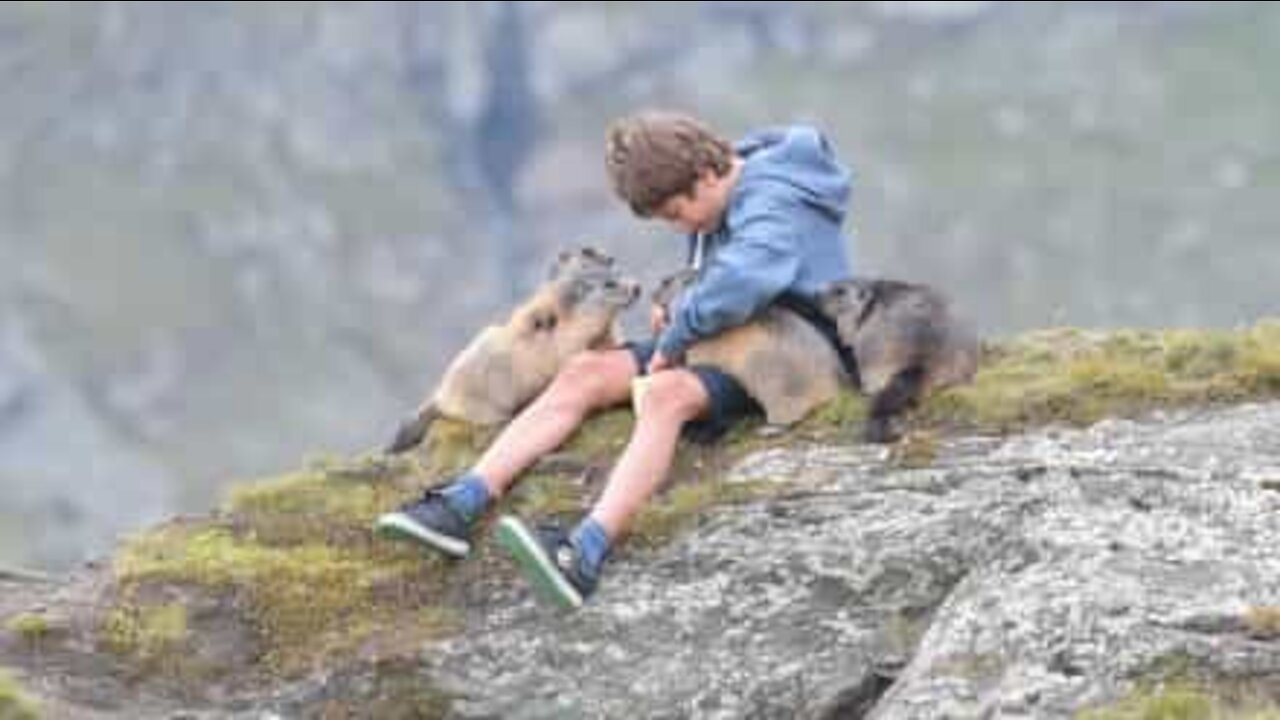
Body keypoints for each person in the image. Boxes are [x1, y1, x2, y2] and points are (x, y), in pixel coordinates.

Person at [374, 110, 857, 610]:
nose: (679, 225)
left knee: (665, 396)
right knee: (585, 372)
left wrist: (675, 338)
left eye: (675, 213)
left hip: (788, 357)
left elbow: (749, 277)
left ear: (707, 174)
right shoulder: (723, 188)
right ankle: (463, 501)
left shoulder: (772, 195)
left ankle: (583, 552)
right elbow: (718, 279)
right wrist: (677, 309)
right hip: (727, 339)